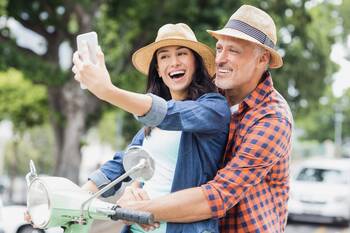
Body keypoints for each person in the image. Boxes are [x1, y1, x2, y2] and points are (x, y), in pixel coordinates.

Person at [116, 5, 293, 233]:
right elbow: (156, 147)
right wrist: (138, 186)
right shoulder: (208, 97)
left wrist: (142, 208)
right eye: (219, 48)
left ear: (263, 59)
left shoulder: (273, 118)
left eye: (234, 51)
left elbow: (219, 195)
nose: (220, 59)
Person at [72, 23, 231, 233]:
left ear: (196, 62)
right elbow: (125, 161)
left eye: (182, 53)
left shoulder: (213, 108)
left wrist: (107, 91)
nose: (173, 62)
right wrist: (75, 198)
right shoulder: (152, 125)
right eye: (164, 56)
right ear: (158, 69)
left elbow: (169, 113)